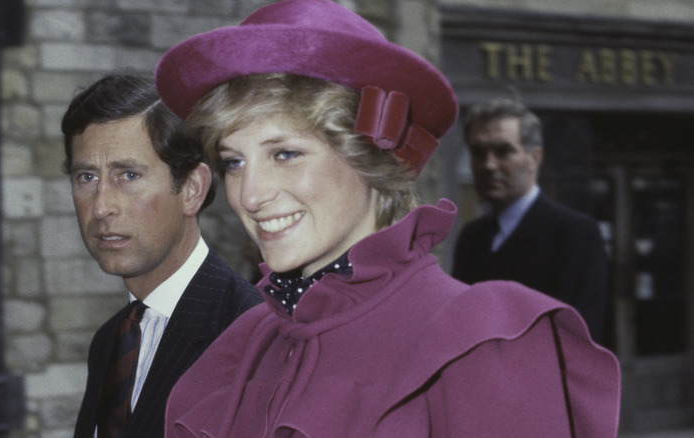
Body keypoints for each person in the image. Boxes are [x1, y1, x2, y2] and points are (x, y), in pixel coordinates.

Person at [154, 0, 621, 436]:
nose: (248, 195)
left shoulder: (484, 340)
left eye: (285, 153)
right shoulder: (243, 347)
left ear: (370, 159)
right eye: (233, 161)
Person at [62, 74, 262, 438]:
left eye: (129, 175)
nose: (101, 206)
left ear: (192, 189)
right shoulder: (110, 340)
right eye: (87, 177)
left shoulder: (253, 335)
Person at [452, 98, 610, 343]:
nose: (488, 165)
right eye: (478, 153)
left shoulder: (575, 234)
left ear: (534, 158)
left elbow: (579, 342)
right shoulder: (472, 236)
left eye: (503, 151)